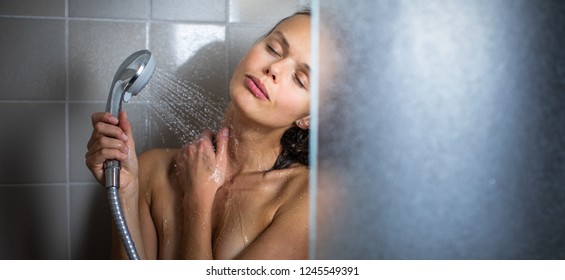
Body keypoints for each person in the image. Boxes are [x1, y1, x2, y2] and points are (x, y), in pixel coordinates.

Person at [85, 9, 311, 259]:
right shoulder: (150, 170)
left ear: (308, 118)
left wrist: (197, 204)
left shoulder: (305, 200)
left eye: (300, 79)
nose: (274, 69)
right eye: (274, 49)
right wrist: (126, 191)